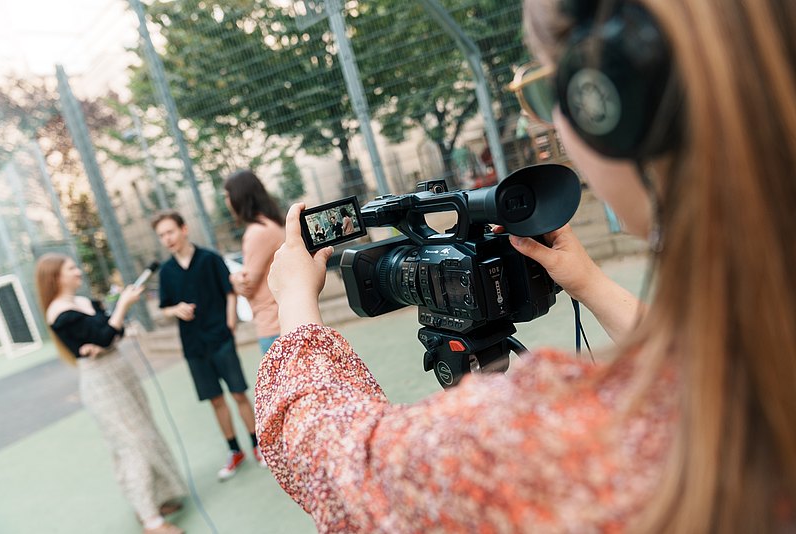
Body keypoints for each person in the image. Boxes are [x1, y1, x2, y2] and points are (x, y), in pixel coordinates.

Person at [257, 0, 796, 532]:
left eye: (543, 91)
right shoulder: (750, 364)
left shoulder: (551, 439)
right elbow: (692, 359)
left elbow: (339, 466)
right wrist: (589, 283)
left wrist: (298, 309)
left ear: (605, 104)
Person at [36, 254, 185, 534]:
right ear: (55, 277)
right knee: (132, 445)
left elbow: (109, 336)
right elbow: (105, 335)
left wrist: (106, 335)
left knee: (145, 434)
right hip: (101, 383)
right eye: (70, 268)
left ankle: (156, 501)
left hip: (120, 371)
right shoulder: (59, 312)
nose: (77, 270)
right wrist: (120, 312)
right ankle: (151, 521)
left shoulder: (84, 303)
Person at [152, 210, 264, 479]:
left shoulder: (210, 259)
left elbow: (230, 292)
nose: (167, 238)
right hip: (194, 346)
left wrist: (229, 324)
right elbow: (164, 308)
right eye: (161, 235)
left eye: (170, 232)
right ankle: (234, 450)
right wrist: (176, 309)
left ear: (183, 229)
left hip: (220, 338)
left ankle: (257, 445)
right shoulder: (166, 272)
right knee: (216, 400)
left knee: (238, 393)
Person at [223, 169, 285, 357]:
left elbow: (247, 285)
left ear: (239, 196)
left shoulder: (258, 232)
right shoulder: (272, 225)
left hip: (273, 326)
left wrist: (233, 279)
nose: (226, 201)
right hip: (281, 319)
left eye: (227, 195)